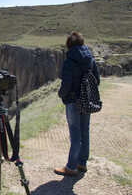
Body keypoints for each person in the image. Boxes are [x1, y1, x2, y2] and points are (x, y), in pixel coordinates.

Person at [54, 31, 99, 176]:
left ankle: (71, 167)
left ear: (69, 44)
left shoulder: (69, 61)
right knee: (85, 132)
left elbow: (66, 85)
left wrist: (61, 94)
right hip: (87, 101)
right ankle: (82, 164)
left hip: (73, 102)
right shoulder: (90, 59)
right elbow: (96, 81)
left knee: (75, 135)